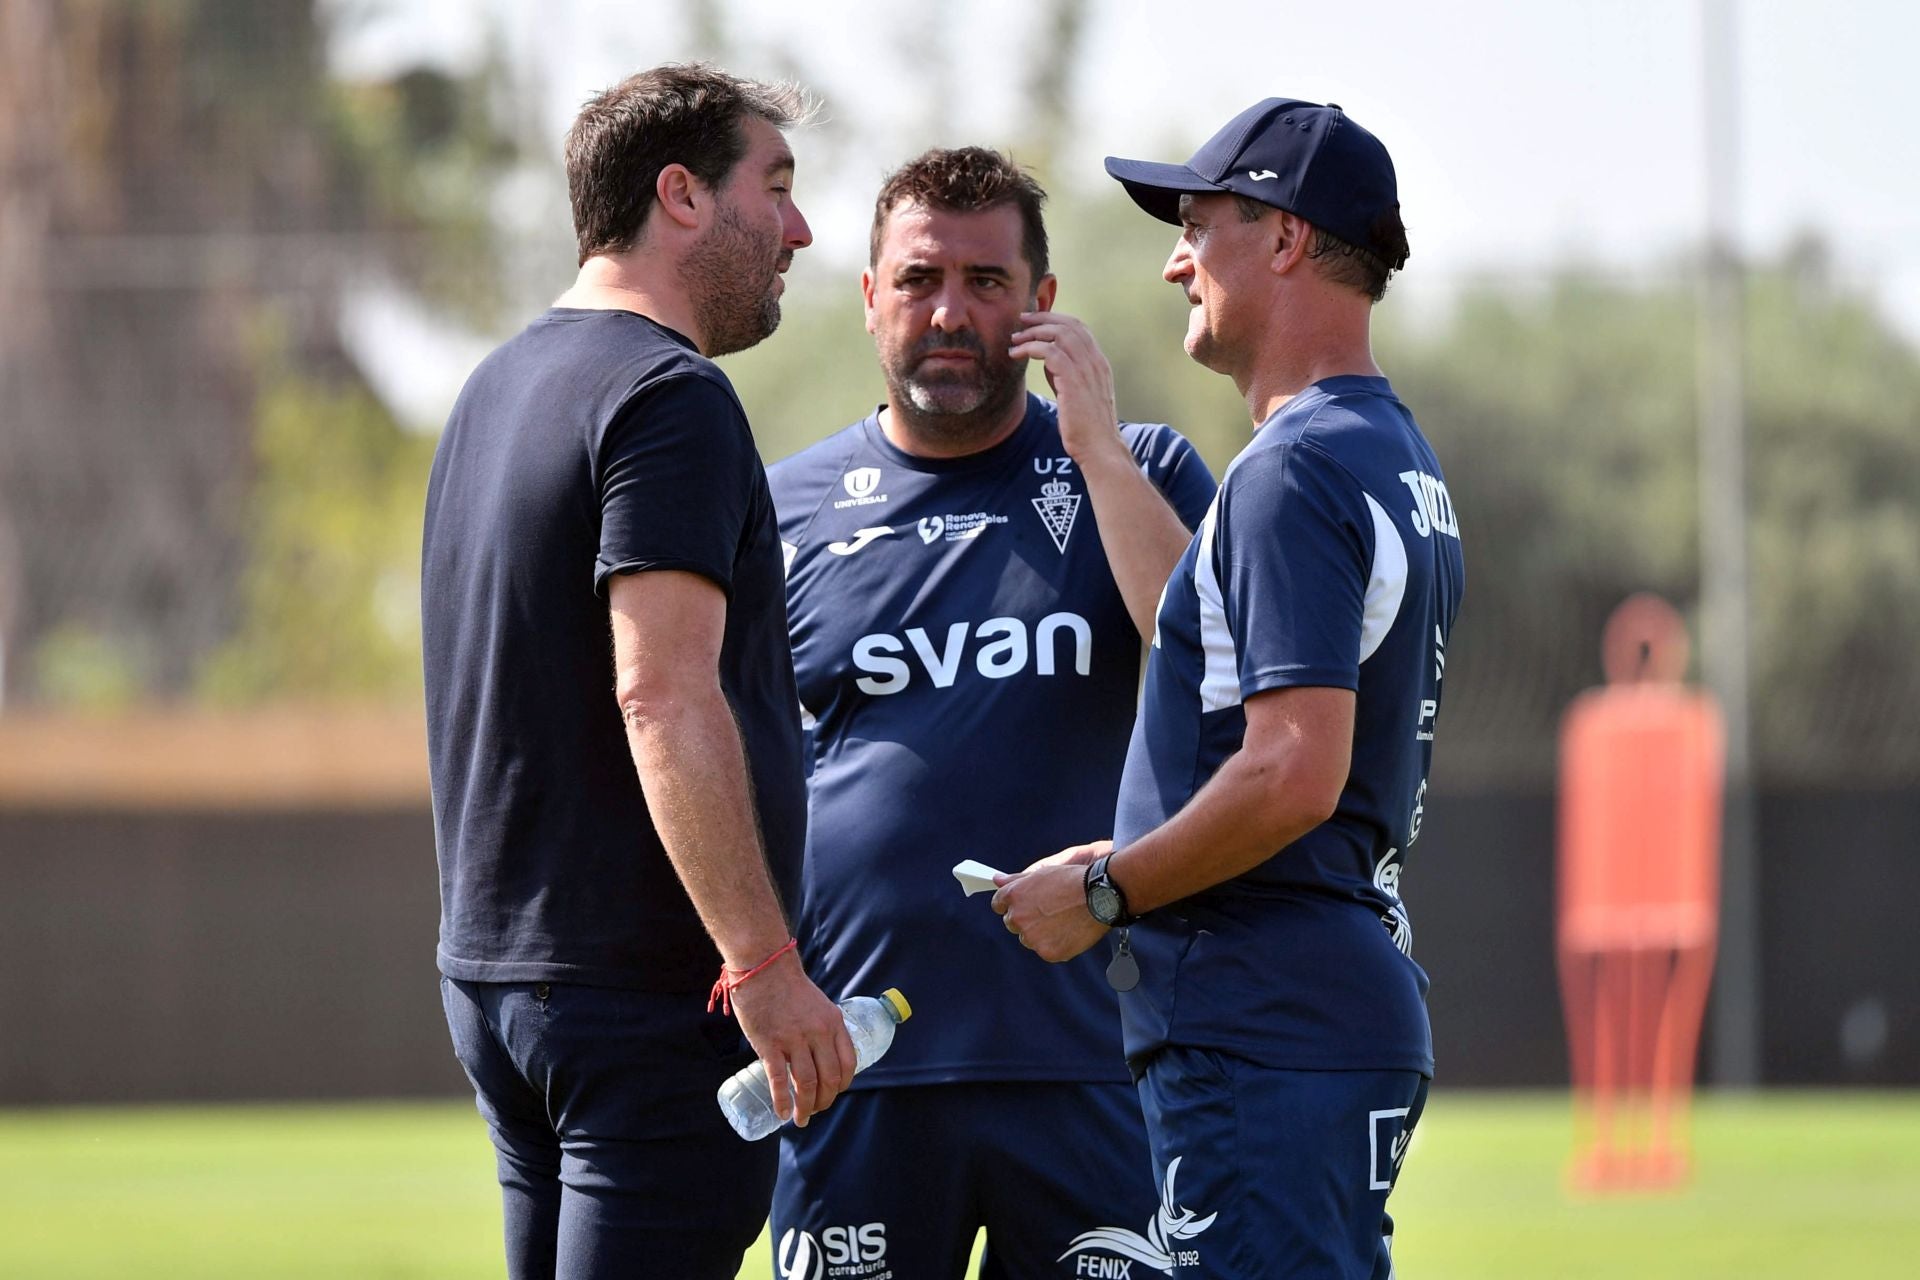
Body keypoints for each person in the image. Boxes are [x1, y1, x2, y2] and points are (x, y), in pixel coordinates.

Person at [993, 99, 1465, 1280]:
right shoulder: (1385, 450)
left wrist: (1105, 887)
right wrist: (1100, 449)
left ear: (1287, 237)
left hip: (1262, 1014)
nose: (1174, 257)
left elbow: (1294, 770)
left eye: (1199, 223)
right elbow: (1198, 648)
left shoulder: (1294, 464)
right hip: (1322, 999)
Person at [420, 64, 856, 1280]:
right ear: (682, 195)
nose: (801, 228)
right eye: (775, 187)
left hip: (503, 982)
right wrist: (766, 971)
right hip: (642, 1001)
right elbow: (660, 690)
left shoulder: (494, 388)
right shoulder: (669, 396)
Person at [765, 147, 1217, 1279]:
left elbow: (1211, 665)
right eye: (919, 279)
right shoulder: (780, 509)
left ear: (1042, 304)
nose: (951, 312)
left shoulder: (1140, 471)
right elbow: (723, 763)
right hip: (856, 1071)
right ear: (870, 296)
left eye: (987, 281)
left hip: (1092, 1062)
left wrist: (1098, 448)